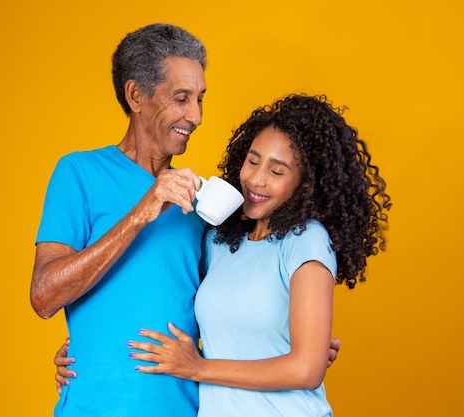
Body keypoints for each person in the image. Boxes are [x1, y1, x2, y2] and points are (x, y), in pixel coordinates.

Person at [34, 22, 341, 416]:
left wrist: (299, 342)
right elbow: (44, 296)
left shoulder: (204, 206)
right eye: (181, 98)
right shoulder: (80, 173)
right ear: (136, 95)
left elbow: (228, 301)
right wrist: (141, 213)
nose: (195, 116)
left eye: (200, 99)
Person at [124, 94, 392, 416]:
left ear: (304, 185)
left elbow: (306, 370)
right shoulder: (219, 242)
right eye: (253, 160)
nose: (255, 179)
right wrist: (88, 342)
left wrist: (197, 368)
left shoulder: (305, 241)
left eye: (276, 171)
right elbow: (171, 302)